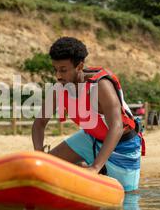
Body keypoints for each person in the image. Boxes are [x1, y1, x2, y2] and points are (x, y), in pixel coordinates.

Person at [32, 37, 145, 192]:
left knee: (127, 198)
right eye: (55, 69)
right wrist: (38, 152)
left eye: (63, 70)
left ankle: (92, 167)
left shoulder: (100, 86)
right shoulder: (58, 89)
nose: (58, 76)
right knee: (45, 167)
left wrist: (95, 168)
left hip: (122, 144)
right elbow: (39, 123)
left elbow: (117, 127)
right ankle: (83, 165)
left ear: (79, 66)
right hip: (90, 137)